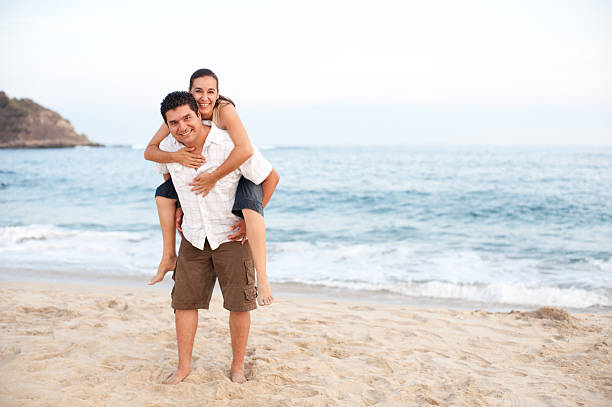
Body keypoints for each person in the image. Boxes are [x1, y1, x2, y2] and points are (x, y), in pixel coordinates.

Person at [157, 91, 273, 384]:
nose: (182, 127)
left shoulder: (229, 144)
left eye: (187, 118)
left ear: (199, 113)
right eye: (173, 122)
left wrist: (250, 221)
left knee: (239, 305)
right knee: (183, 304)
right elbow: (167, 180)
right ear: (167, 126)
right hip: (194, 238)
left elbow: (269, 177)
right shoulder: (169, 149)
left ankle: (237, 367)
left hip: (230, 238)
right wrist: (181, 207)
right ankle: (183, 367)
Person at [144, 69, 278, 306]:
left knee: (251, 208)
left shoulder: (224, 110)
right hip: (199, 190)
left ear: (218, 94)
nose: (204, 97)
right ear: (189, 92)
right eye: (198, 91)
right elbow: (151, 150)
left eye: (210, 91)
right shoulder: (183, 113)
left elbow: (245, 150)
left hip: (237, 169)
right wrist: (176, 160)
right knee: (163, 196)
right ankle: (168, 255)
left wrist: (213, 177)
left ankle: (263, 279)